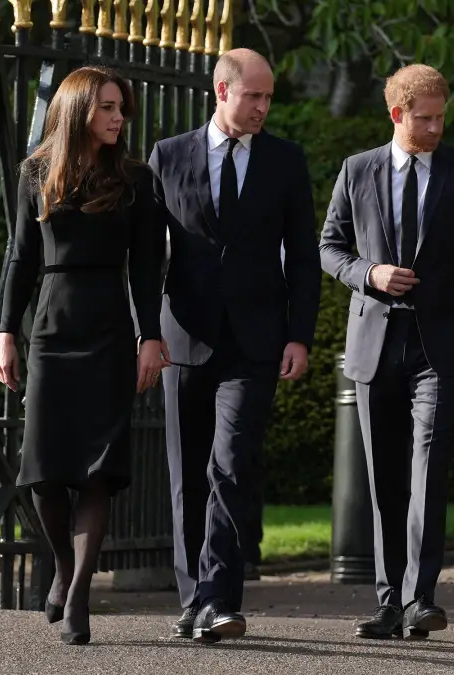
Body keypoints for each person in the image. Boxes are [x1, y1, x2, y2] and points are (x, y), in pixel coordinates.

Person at [319, 64, 454, 641]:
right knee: (385, 479)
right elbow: (328, 248)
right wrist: (370, 273)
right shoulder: (357, 170)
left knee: (428, 472)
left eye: (441, 117)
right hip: (375, 343)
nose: (436, 128)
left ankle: (420, 598)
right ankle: (388, 601)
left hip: (442, 346)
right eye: (425, 118)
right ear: (397, 115)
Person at [148, 48, 320, 644]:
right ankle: (194, 599)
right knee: (186, 472)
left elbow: (302, 257)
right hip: (182, 337)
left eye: (269, 98)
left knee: (230, 461)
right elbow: (148, 256)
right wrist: (147, 333)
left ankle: (220, 598)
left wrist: (300, 334)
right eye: (255, 97)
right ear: (222, 92)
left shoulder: (286, 161)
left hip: (255, 341)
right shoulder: (168, 156)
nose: (264, 108)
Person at [0, 66, 168, 646]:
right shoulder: (36, 173)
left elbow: (146, 267)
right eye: (108, 108)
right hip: (50, 328)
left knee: (98, 470)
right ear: (77, 111)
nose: (120, 117)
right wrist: (5, 333)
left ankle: (77, 597)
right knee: (43, 470)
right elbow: (20, 259)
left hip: (109, 332)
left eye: (122, 108)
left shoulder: (136, 180)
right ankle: (64, 568)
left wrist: (150, 337)